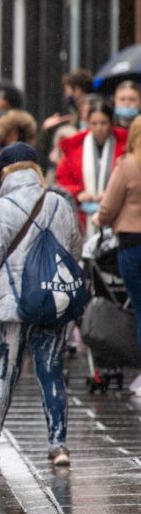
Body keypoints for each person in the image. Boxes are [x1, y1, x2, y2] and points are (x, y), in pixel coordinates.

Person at [0, 142, 80, 467]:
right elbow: (74, 251)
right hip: (54, 299)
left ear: (5, 173)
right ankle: (58, 445)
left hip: (14, 305)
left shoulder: (0, 207)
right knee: (51, 370)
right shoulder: (59, 203)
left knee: (4, 370)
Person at [94, 115, 141, 354]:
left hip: (133, 243)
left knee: (139, 306)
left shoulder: (128, 165)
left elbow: (109, 206)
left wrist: (99, 220)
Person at [56, 100, 128, 232]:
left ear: (111, 123)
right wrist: (78, 193)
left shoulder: (126, 146)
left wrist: (112, 194)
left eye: (103, 123)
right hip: (81, 218)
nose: (99, 128)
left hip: (117, 218)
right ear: (88, 123)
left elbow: (131, 180)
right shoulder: (73, 147)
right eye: (94, 123)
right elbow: (62, 180)